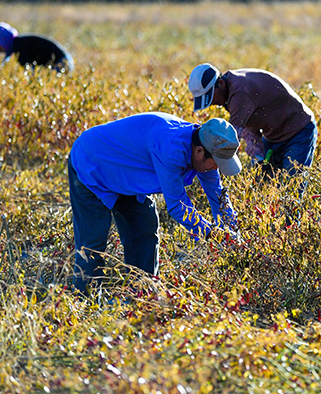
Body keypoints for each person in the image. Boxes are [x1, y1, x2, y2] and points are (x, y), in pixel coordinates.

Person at [67, 113, 242, 293]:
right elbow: (178, 207)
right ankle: (84, 300)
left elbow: (218, 196)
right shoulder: (171, 147)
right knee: (93, 244)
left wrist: (234, 233)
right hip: (92, 162)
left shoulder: (206, 148)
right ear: (199, 151)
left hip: (129, 174)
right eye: (216, 164)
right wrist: (215, 235)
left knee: (144, 233)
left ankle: (142, 298)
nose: (215, 169)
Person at [187, 63, 317, 178]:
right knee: (268, 183)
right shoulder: (230, 91)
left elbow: (230, 138)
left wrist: (212, 162)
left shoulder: (240, 93)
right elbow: (249, 128)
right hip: (274, 136)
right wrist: (258, 158)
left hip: (299, 132)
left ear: (220, 84)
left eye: (211, 98)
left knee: (292, 186)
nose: (213, 104)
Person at [0, 22, 74, 72]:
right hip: (64, 60)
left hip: (62, 62)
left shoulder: (19, 47)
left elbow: (29, 72)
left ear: (2, 41)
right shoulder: (19, 43)